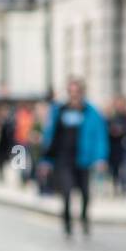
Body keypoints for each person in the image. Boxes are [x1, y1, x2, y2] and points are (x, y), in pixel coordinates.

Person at [39, 76, 108, 235]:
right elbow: (51, 136)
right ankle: (67, 221)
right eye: (71, 91)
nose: (74, 95)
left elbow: (99, 137)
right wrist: (46, 160)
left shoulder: (92, 113)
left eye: (77, 92)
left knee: (84, 192)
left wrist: (100, 158)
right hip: (63, 159)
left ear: (82, 92)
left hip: (84, 158)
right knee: (67, 190)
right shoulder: (59, 111)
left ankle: (84, 217)